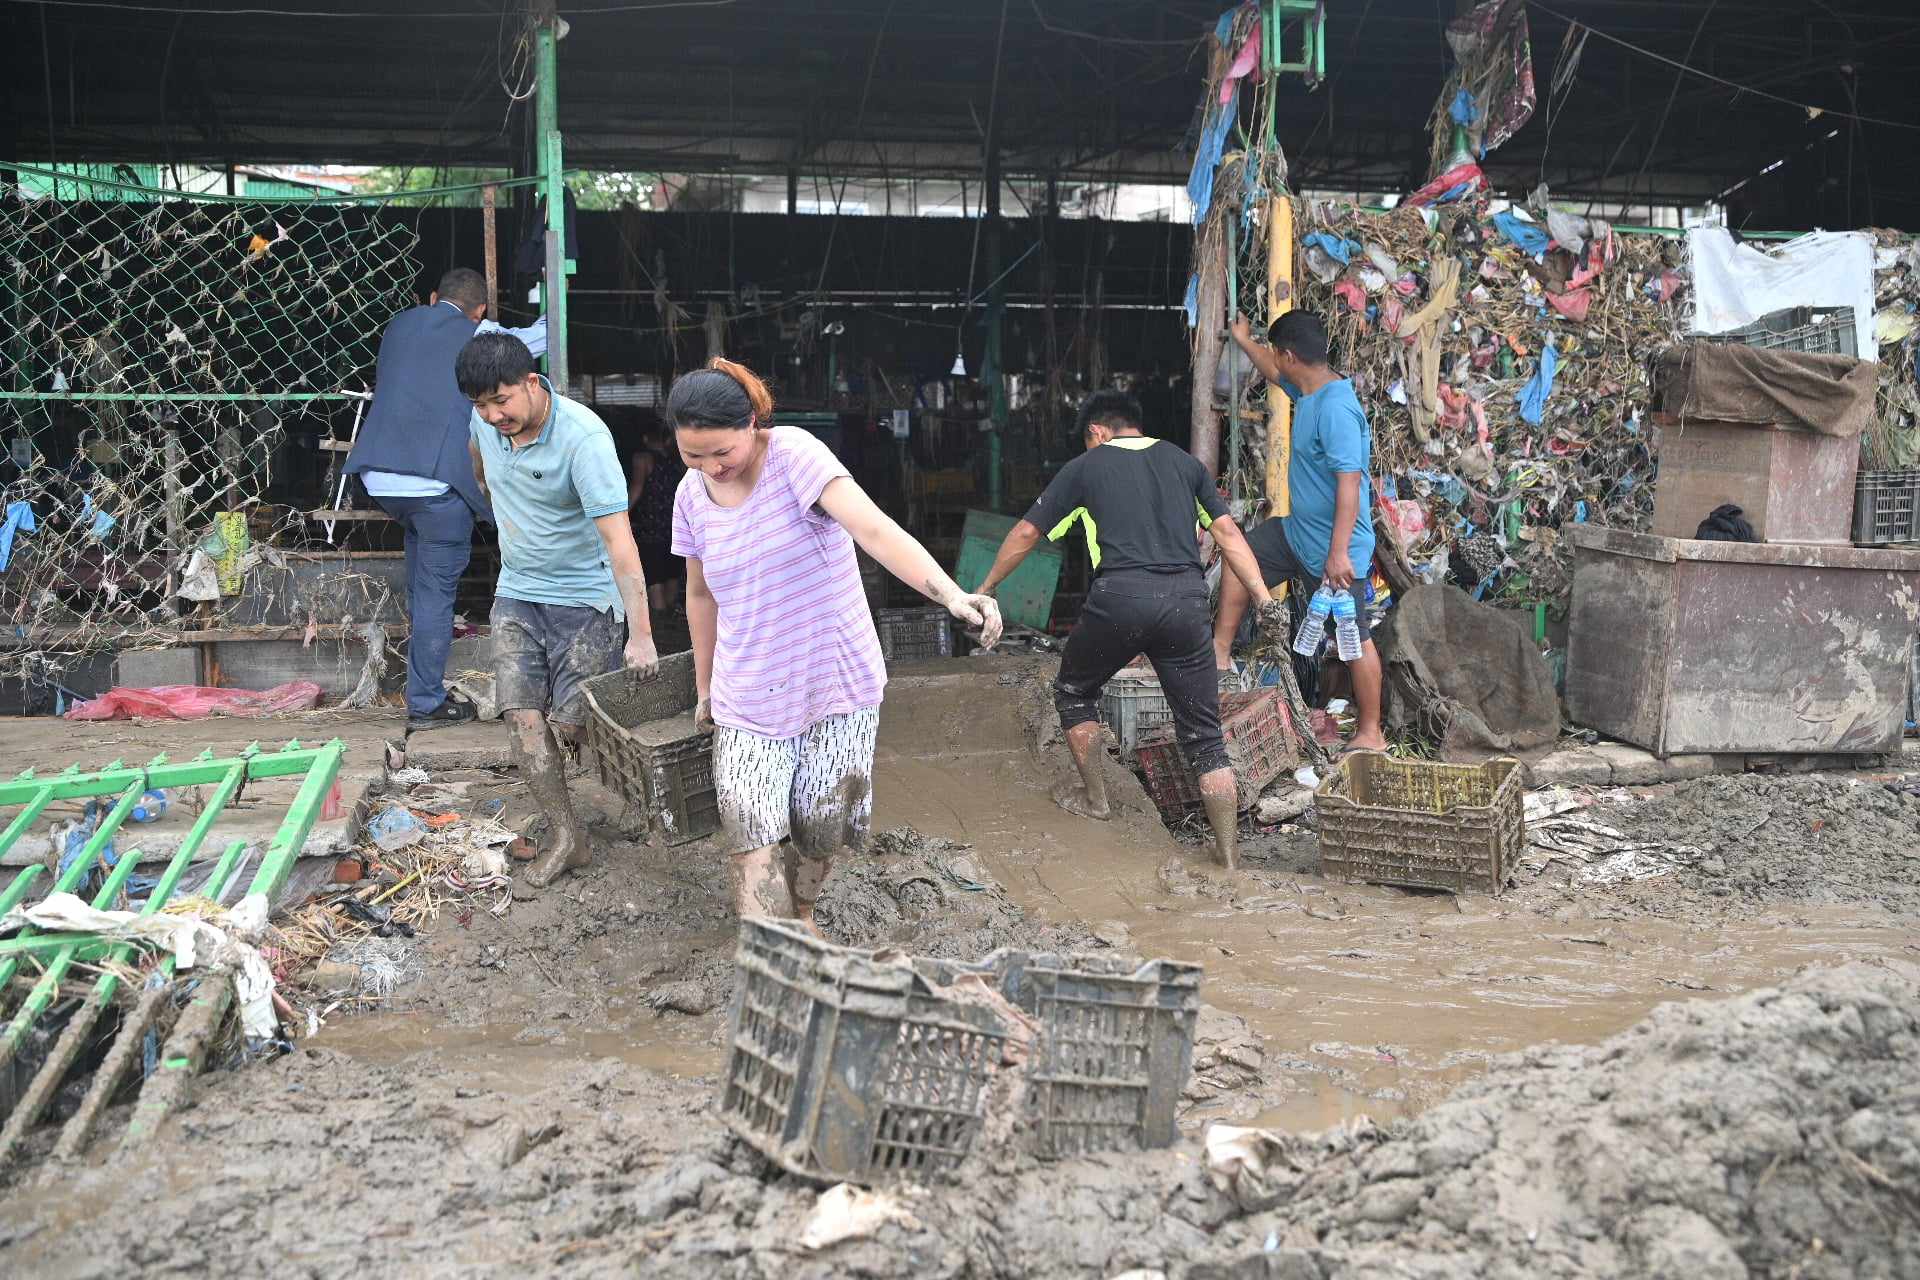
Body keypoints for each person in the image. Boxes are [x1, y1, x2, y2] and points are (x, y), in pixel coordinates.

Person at [667, 358, 1002, 933]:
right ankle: (770, 949)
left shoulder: (796, 457)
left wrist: (950, 595)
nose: (710, 468)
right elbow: (700, 597)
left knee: (822, 830)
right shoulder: (691, 496)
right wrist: (704, 687)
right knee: (750, 828)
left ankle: (803, 911)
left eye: (721, 452)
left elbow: (874, 530)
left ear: (751, 423)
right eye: (692, 455)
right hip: (747, 689)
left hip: (835, 679)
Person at [974, 390, 1283, 870]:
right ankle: (1228, 859)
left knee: (1075, 693)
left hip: (1119, 599)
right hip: (1185, 602)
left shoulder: (1085, 467)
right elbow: (1228, 536)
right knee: (1204, 736)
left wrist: (987, 585)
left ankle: (1096, 800)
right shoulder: (1185, 465)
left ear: (1097, 432)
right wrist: (1263, 598)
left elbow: (1027, 533)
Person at [457, 332, 659, 891]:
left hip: (586, 601)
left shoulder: (584, 440)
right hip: (518, 590)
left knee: (574, 724)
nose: (494, 415)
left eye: (502, 401)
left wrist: (640, 634)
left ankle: (643, 804)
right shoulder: (483, 425)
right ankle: (568, 834)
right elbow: (478, 465)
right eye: (481, 405)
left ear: (531, 382)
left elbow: (622, 544)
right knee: (521, 715)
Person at [345, 267, 549, 731]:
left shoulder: (399, 324)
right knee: (436, 594)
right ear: (481, 309)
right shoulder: (482, 333)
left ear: (433, 296)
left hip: (380, 479)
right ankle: (426, 703)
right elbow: (542, 339)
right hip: (435, 484)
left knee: (422, 586)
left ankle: (422, 687)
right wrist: (555, 290)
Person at [1225, 309, 1387, 753]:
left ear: (1291, 354)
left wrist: (1338, 554)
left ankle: (1371, 732)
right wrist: (1243, 340)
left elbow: (1349, 488)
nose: (1275, 363)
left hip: (1337, 550)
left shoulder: (1335, 409)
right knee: (1241, 557)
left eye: (1278, 355)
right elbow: (1275, 373)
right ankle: (1219, 653)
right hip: (1299, 535)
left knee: (1354, 641)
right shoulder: (1310, 388)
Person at [627, 418, 685, 615]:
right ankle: (670, 618)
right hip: (676, 526)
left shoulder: (642, 459)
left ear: (644, 437)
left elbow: (636, 490)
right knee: (672, 575)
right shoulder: (679, 458)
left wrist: (618, 517)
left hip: (650, 528)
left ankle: (660, 621)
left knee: (653, 576)